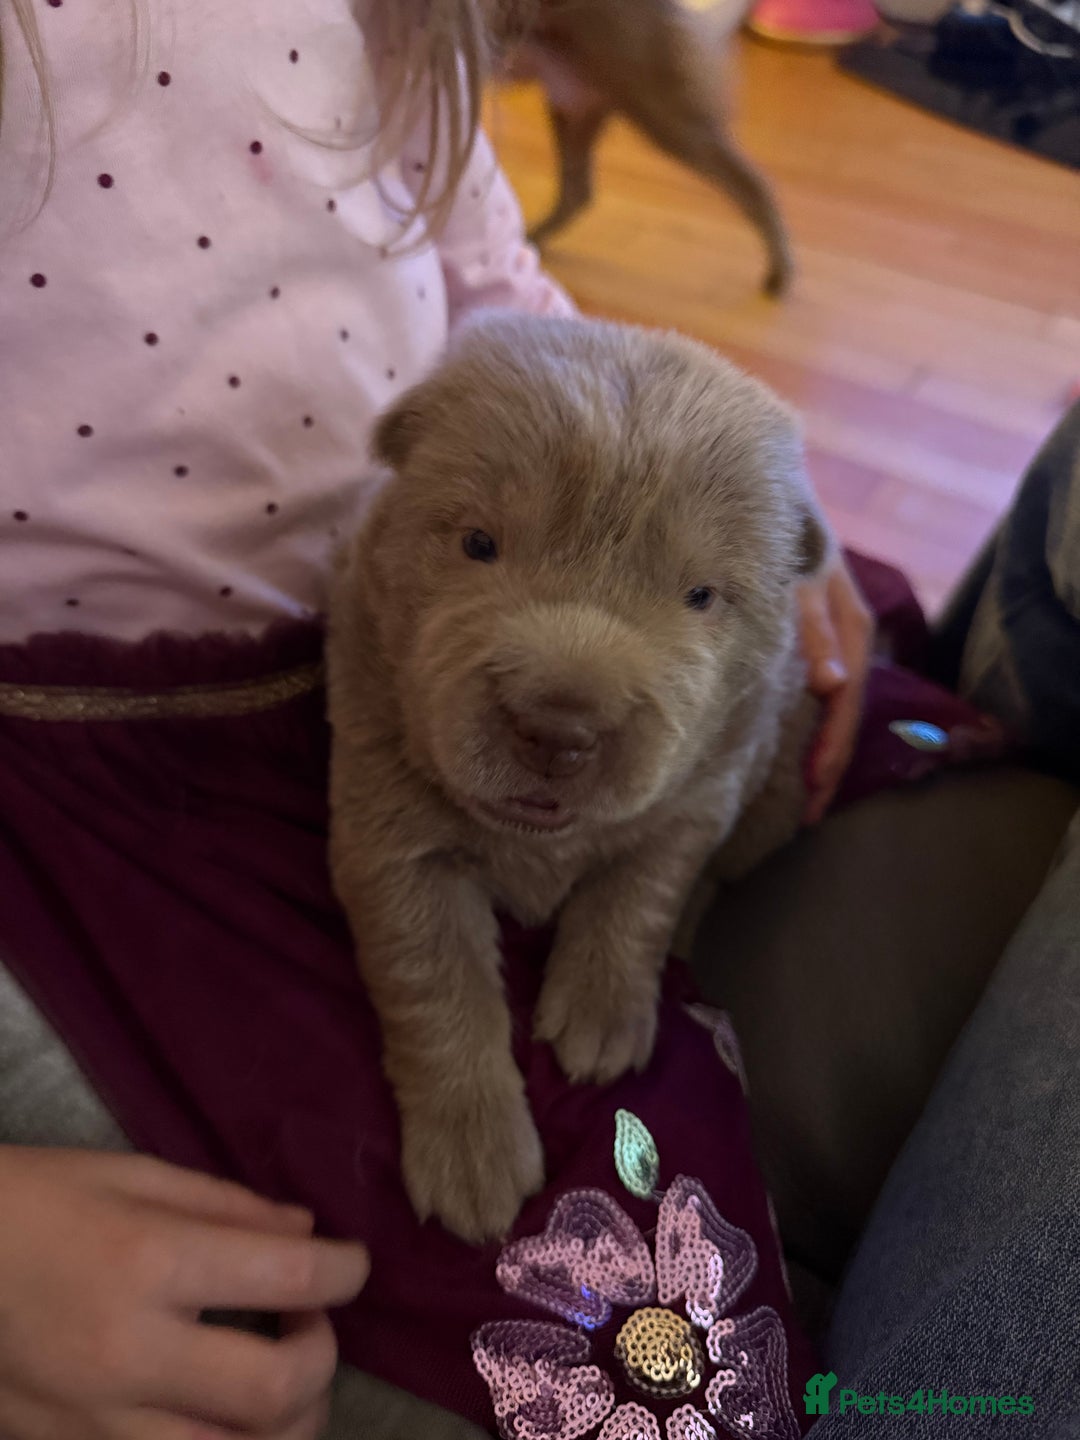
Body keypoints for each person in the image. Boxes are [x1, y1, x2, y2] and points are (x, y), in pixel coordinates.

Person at [0, 4, 870, 1439]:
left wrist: (734, 504)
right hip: (92, 761)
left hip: (391, 600)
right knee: (631, 1371)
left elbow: (490, 289)